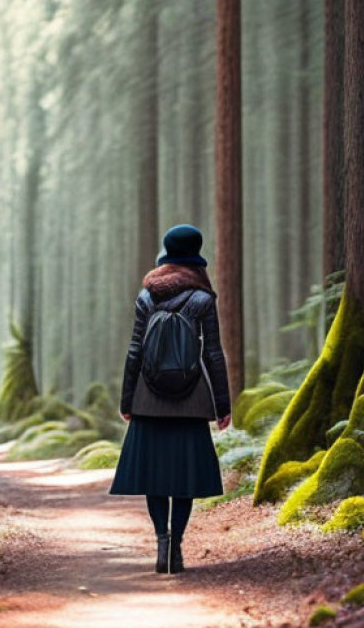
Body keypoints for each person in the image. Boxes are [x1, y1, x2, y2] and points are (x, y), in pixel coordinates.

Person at [109, 223, 232, 574]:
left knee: (154, 476)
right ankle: (176, 544)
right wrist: (222, 406)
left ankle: (160, 542)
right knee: (185, 477)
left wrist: (127, 400)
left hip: (148, 398)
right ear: (196, 258)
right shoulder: (203, 299)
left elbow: (134, 351)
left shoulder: (147, 296)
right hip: (192, 399)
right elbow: (213, 355)